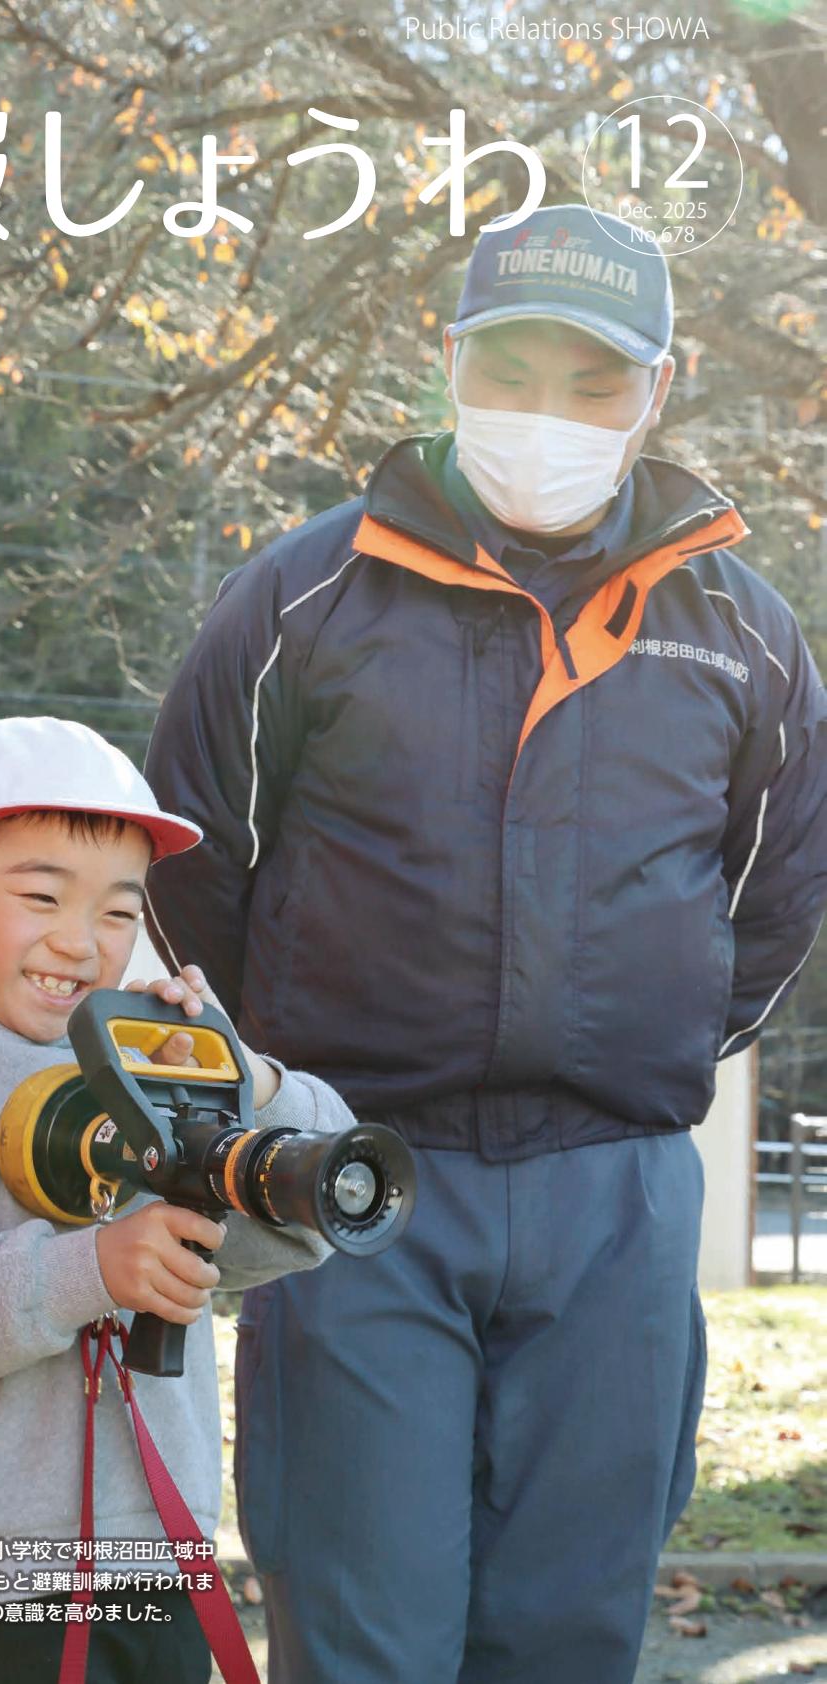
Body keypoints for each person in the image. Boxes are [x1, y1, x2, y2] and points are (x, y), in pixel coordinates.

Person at [142, 204, 827, 1684]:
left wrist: (640, 1042)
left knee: (568, 1634)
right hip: (352, 1184)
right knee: (364, 1628)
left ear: (659, 385)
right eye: (509, 369)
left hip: (614, 1202)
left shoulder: (743, 631)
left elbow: (778, 892)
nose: (547, 413)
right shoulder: (298, 599)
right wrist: (294, 1079)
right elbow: (190, 859)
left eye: (592, 382)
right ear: (448, 361)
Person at [0, 714, 360, 1683]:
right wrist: (91, 1266)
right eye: (41, 895)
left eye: (118, 911)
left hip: (158, 1560)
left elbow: (303, 1218)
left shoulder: (143, 1060)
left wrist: (238, 1076)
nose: (81, 942)